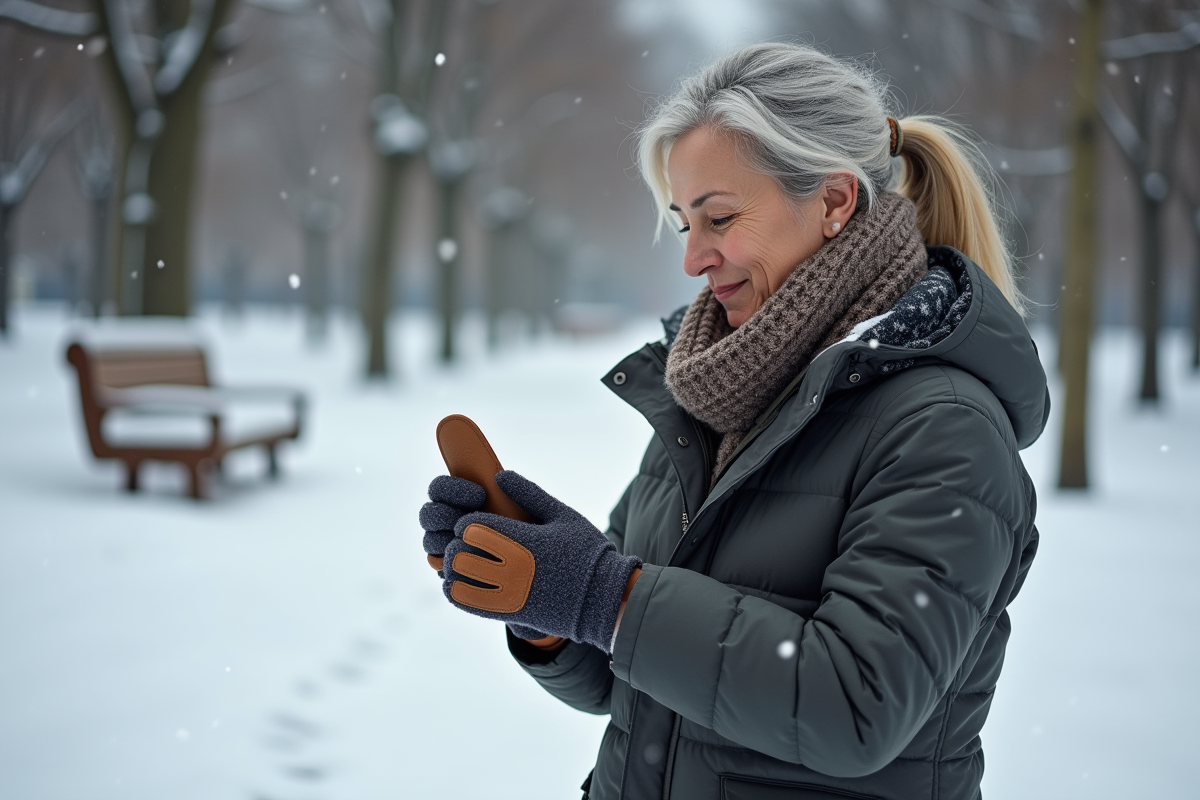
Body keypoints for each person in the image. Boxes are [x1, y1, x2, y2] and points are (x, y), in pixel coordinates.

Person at [419, 42, 1047, 800]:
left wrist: (602, 594)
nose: (694, 259)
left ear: (835, 202)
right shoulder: (711, 394)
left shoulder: (943, 430)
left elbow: (854, 708)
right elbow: (629, 679)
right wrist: (542, 594)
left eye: (719, 217)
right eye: (686, 223)